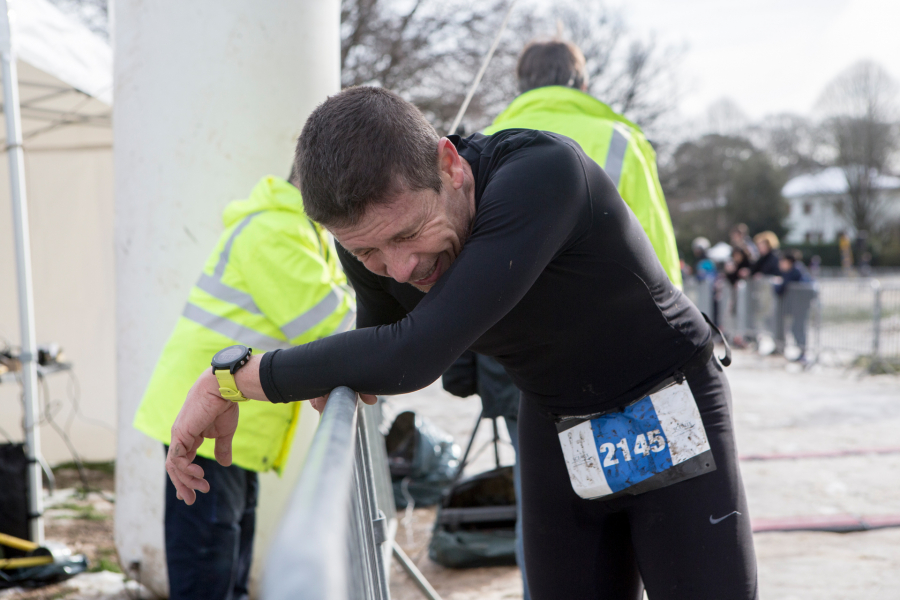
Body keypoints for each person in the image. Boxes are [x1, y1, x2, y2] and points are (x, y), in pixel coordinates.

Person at [166, 87, 758, 600]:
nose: (398, 269)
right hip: (556, 421)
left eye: (407, 233)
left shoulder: (542, 174)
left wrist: (234, 380)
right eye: (367, 252)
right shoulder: (378, 240)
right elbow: (377, 343)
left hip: (669, 398)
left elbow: (412, 354)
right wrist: (340, 369)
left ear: (451, 166)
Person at [133, 175, 355, 600]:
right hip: (207, 416)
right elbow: (334, 327)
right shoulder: (274, 231)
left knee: (227, 558)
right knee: (208, 565)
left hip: (231, 419)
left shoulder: (300, 230)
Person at [484, 39, 682, 288]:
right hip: (605, 312)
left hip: (504, 316)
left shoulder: (481, 142)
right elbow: (653, 240)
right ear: (583, 85)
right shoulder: (622, 141)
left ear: (521, 87)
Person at [775, 250, 815, 363]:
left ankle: (803, 354)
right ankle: (802, 352)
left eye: (782, 262)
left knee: (798, 328)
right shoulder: (795, 270)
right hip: (798, 305)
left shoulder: (794, 272)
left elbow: (780, 289)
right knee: (796, 328)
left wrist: (777, 284)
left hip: (800, 305)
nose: (780, 265)